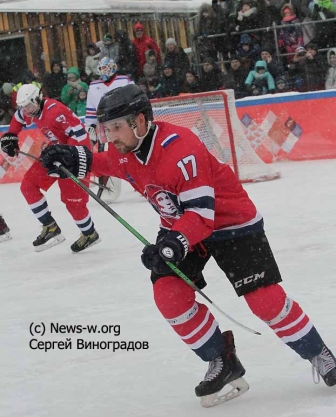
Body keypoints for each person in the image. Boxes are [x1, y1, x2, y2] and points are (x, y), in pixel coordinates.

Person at [40, 84, 336, 405]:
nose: (110, 136)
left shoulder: (180, 149)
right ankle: (222, 360)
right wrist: (71, 156)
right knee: (168, 294)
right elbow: (108, 163)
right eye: (105, 128)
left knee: (264, 300)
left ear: (140, 122)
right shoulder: (127, 150)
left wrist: (168, 248)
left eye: (116, 128)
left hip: (230, 223)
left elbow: (200, 216)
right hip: (180, 229)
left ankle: (318, 352)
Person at [0, 84, 100, 253]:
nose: (26, 111)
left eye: (29, 106)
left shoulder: (56, 112)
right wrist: (11, 135)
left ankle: (89, 234)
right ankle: (50, 226)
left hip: (75, 158)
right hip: (53, 154)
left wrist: (70, 157)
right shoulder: (32, 110)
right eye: (24, 107)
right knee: (28, 186)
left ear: (38, 99)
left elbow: (81, 136)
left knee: (73, 202)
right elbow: (18, 118)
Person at [85, 57, 134, 203]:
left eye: (106, 69)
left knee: (134, 155)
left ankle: (146, 182)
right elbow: (91, 112)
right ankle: (106, 190)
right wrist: (90, 128)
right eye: (102, 69)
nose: (104, 72)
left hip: (125, 125)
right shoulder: (94, 86)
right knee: (107, 157)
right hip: (105, 129)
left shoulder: (125, 81)